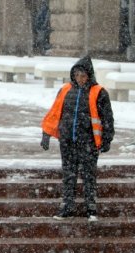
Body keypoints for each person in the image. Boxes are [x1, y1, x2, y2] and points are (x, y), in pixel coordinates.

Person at [40, 56, 114, 222]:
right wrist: (46, 134)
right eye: (77, 75)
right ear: (73, 75)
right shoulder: (65, 90)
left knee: (89, 175)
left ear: (89, 75)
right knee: (69, 174)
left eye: (83, 75)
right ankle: (67, 206)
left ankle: (91, 208)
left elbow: (107, 118)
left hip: (89, 142)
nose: (80, 79)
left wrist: (107, 139)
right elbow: (54, 113)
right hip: (67, 141)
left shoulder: (99, 92)